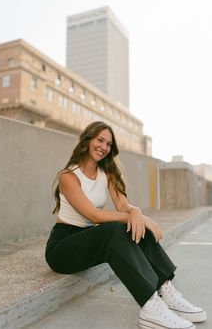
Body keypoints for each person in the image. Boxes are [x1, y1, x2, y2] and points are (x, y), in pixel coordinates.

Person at [45, 121, 206, 329]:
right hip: (63, 248)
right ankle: (150, 307)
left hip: (88, 240)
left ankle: (166, 290)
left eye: (109, 144)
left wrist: (137, 213)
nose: (104, 147)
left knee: (133, 224)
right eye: (100, 140)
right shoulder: (68, 176)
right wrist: (134, 218)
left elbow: (122, 205)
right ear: (87, 140)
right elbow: (94, 215)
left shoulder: (107, 173)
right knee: (119, 226)